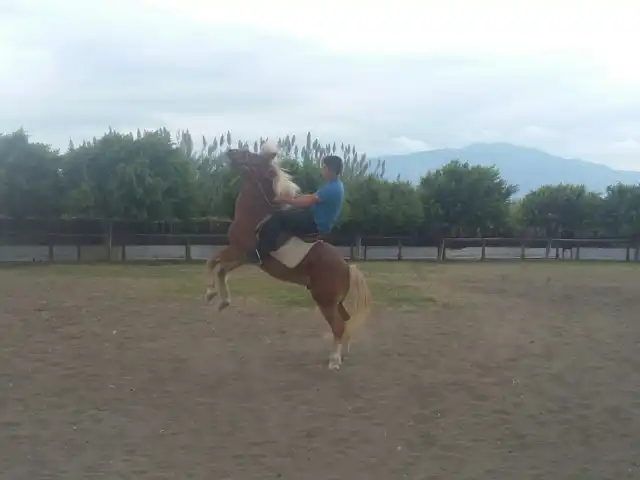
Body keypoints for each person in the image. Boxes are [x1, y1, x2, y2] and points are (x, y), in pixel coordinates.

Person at [247, 154, 345, 265]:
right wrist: (293, 198)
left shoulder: (332, 188)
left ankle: (261, 253)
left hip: (314, 223)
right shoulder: (335, 185)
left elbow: (307, 202)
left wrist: (286, 200)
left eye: (324, 167)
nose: (322, 170)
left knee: (278, 217)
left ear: (329, 169)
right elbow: (310, 197)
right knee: (285, 214)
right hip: (314, 218)